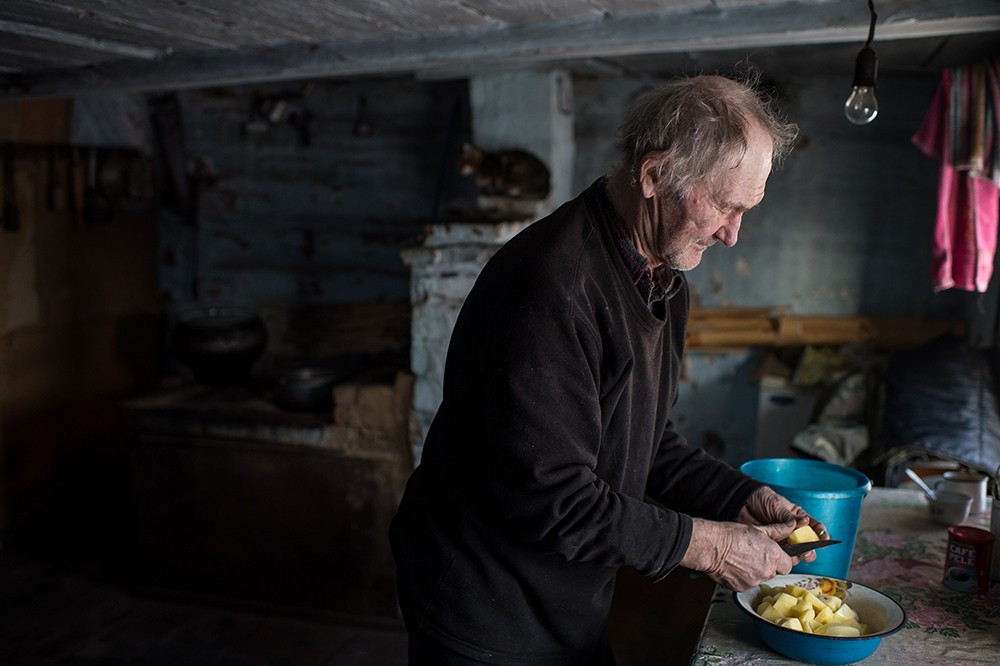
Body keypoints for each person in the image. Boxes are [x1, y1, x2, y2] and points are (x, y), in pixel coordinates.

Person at [390, 72, 827, 665]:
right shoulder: (551, 288)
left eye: (746, 209)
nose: (732, 235)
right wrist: (708, 546)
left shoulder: (663, 280)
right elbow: (555, 499)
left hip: (565, 597)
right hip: (485, 604)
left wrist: (740, 498)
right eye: (724, 206)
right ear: (652, 176)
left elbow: (644, 442)